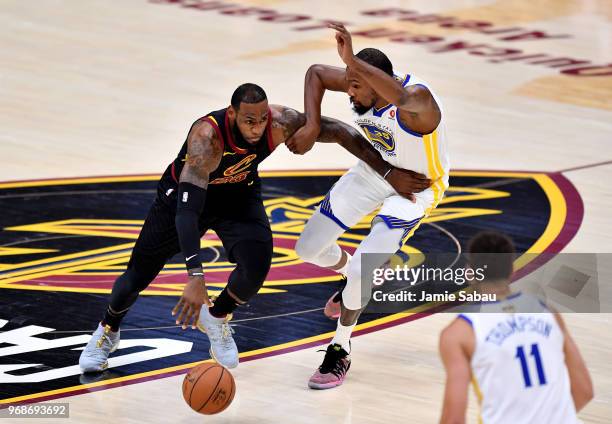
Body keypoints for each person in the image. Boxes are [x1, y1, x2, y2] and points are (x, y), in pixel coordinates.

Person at [78, 83, 431, 373]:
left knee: (258, 262)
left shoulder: (278, 123)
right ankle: (107, 330)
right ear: (231, 115)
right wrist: (195, 276)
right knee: (136, 276)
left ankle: (217, 317)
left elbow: (339, 131)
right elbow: (187, 213)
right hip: (184, 201)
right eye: (249, 121)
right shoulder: (207, 139)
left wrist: (386, 171)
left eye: (262, 119)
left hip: (237, 196)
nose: (257, 128)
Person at [288, 23, 449, 389]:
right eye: (348, 81)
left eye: (355, 84)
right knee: (307, 249)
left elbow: (405, 98)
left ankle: (339, 348)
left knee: (365, 268)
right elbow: (315, 73)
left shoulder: (417, 103)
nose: (349, 90)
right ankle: (351, 276)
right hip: (375, 171)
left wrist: (351, 61)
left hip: (415, 189)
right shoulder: (357, 82)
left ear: (377, 84)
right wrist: (313, 123)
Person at [439, 231, 594, 424]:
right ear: (512, 269)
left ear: (470, 272)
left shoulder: (459, 333)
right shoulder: (548, 312)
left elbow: (453, 420)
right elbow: (584, 391)